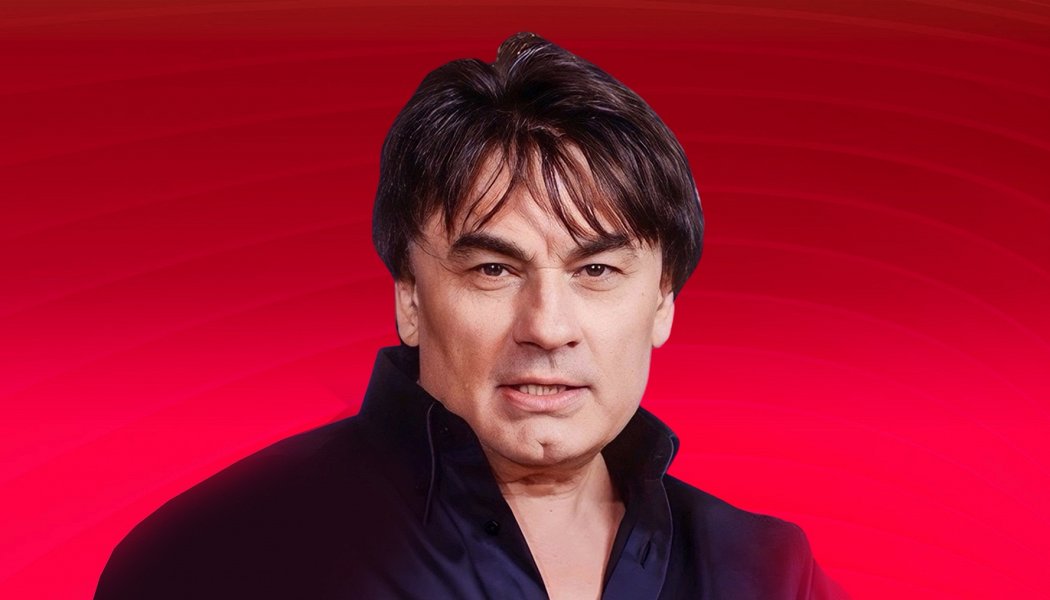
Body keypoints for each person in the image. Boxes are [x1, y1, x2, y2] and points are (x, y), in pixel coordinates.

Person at [95, 32, 847, 599]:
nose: (547, 326)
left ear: (663, 302)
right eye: (494, 270)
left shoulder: (766, 574)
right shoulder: (221, 560)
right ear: (410, 298)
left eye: (596, 271)